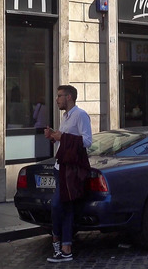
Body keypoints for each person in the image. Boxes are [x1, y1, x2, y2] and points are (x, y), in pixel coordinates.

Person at [43, 85, 92, 263]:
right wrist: (53, 137)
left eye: (59, 96)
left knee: (59, 205)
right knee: (63, 206)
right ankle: (64, 246)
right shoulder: (65, 117)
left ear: (69, 97)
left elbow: (87, 141)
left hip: (71, 169)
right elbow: (64, 142)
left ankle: (61, 243)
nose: (57, 100)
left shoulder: (80, 115)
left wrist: (61, 137)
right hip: (59, 167)